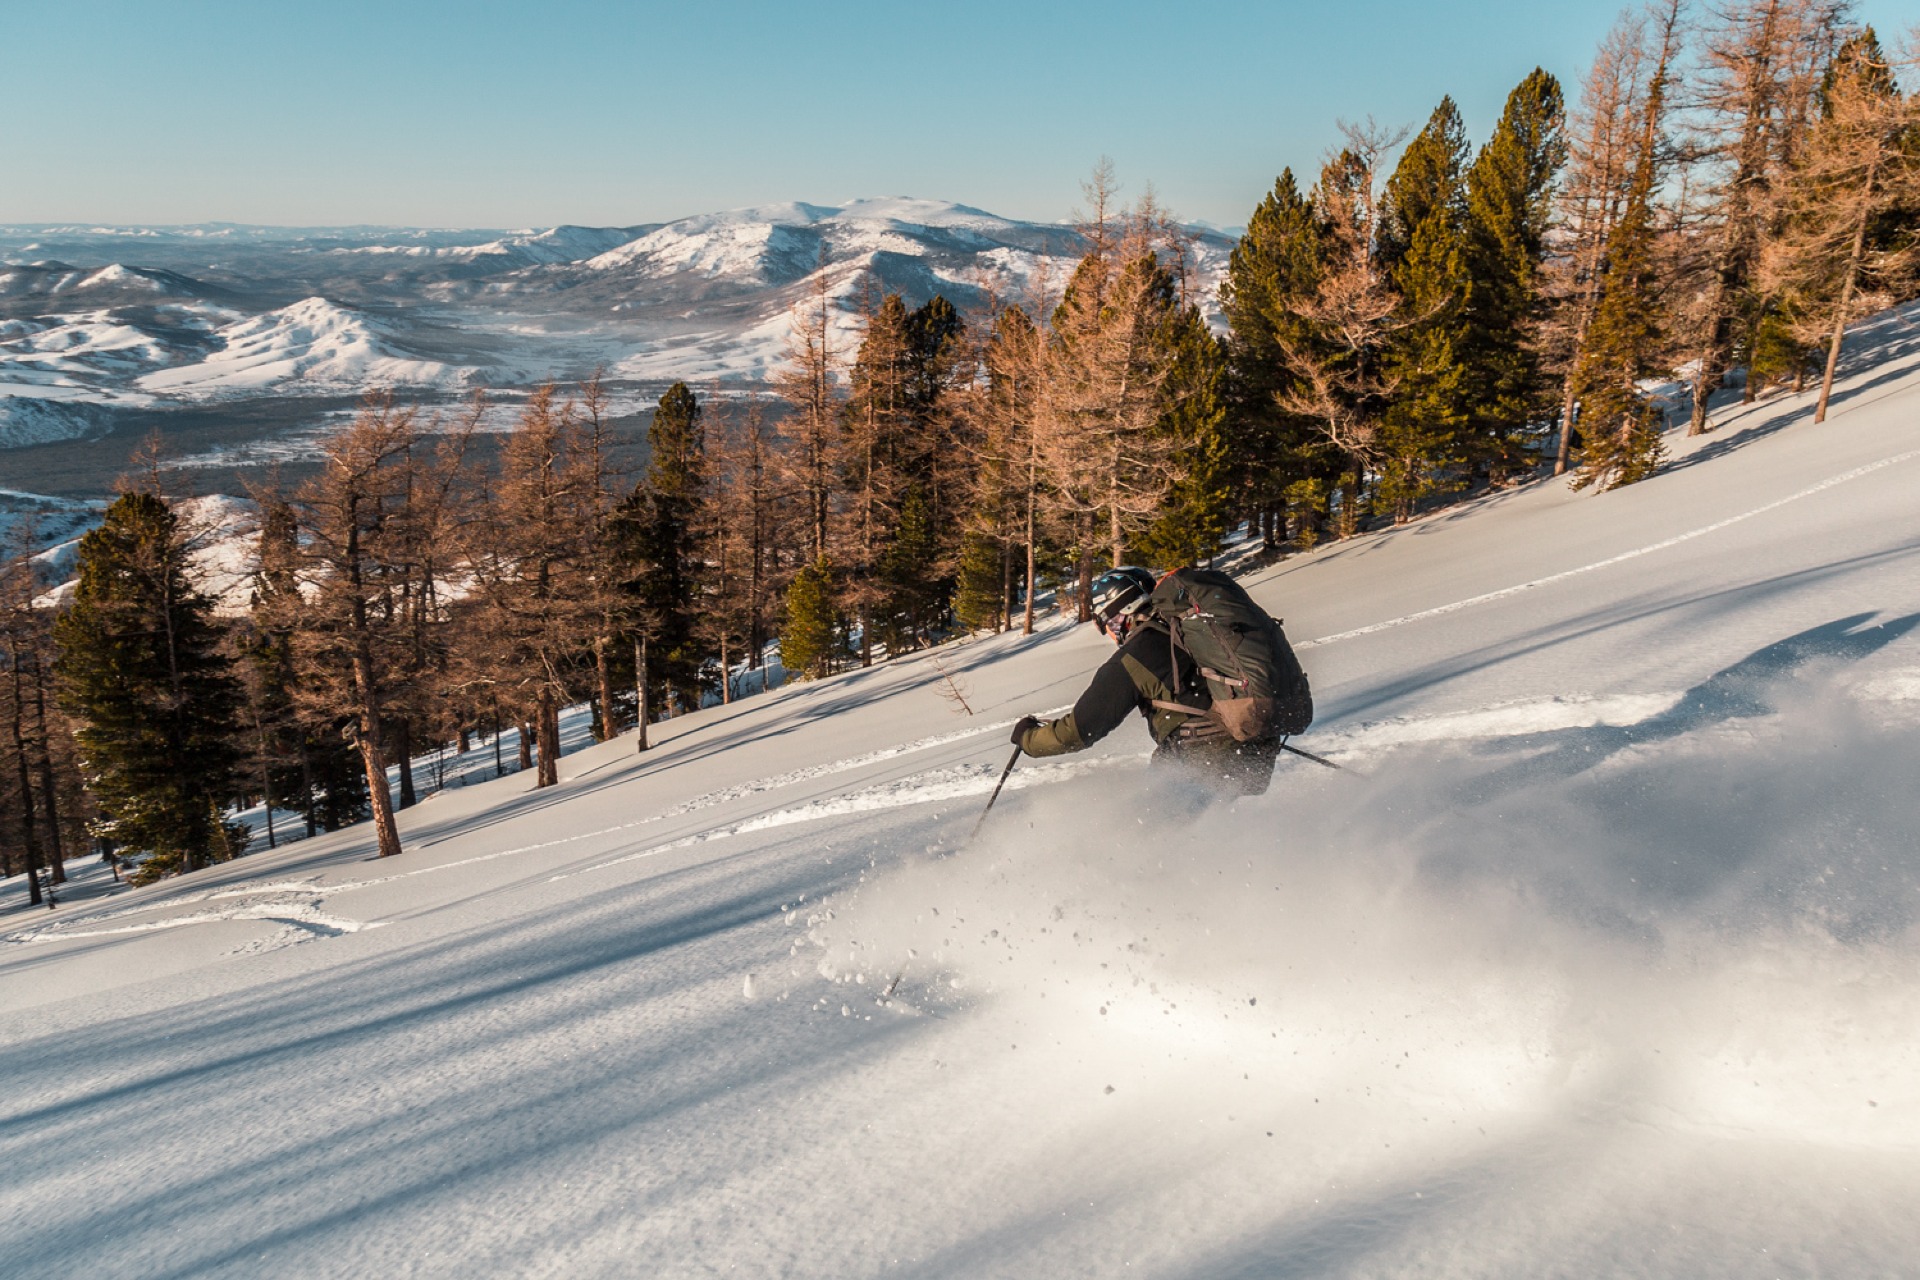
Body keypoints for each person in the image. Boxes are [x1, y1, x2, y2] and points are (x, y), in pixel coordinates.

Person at [1010, 567, 1282, 796]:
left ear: (1120, 614)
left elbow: (1079, 731)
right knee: (1202, 840)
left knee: (1142, 838)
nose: (1110, 633)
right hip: (1254, 748)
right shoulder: (1189, 633)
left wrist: (1028, 739)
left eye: (1106, 623)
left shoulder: (1137, 655)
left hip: (1202, 757)